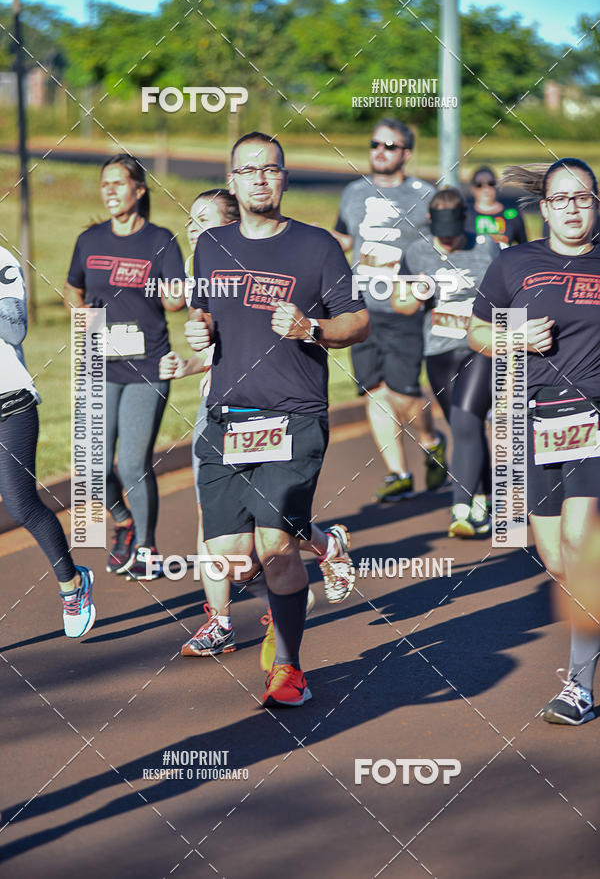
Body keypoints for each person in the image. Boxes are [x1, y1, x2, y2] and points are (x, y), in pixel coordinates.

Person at [185, 131, 369, 706]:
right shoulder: (211, 245)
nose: (260, 178)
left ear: (284, 178)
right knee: (234, 561)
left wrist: (311, 328)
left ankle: (289, 668)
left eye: (271, 169)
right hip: (226, 419)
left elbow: (357, 323)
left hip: (293, 415)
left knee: (274, 545)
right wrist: (198, 334)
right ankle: (326, 543)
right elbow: (205, 316)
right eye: (248, 169)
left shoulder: (316, 248)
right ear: (232, 179)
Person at [159, 190, 357, 658]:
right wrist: (187, 361)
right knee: (223, 537)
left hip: (278, 410)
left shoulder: (268, 261)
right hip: (220, 415)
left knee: (271, 535)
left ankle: (314, 554)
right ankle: (225, 619)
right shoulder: (203, 262)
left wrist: (308, 327)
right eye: (190, 219)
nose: (193, 228)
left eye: (203, 219)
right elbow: (212, 336)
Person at [469, 158, 600, 726]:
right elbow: (475, 330)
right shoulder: (513, 263)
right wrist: (510, 337)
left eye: (584, 197)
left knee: (580, 541)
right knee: (555, 557)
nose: (573, 207)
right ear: (543, 207)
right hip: (532, 418)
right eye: (562, 199)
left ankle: (579, 688)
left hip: (594, 416)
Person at [63, 153, 186, 580]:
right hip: (99, 364)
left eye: (119, 183)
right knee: (90, 467)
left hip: (147, 365)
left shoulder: (161, 241)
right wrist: (79, 312)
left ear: (139, 190)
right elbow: (71, 287)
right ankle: (123, 521)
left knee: (132, 464)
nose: (110, 191)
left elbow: (175, 300)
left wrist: (174, 292)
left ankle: (148, 549)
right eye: (105, 184)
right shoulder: (90, 240)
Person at [333, 118, 447, 502]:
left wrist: (423, 289)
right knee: (375, 391)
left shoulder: (425, 195)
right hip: (360, 305)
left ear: (406, 154)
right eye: (375, 144)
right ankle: (397, 473)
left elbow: (438, 252)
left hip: (403, 308)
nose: (380, 152)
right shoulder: (352, 192)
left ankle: (431, 441)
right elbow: (346, 237)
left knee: (402, 391)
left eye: (390, 146)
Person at [0, 247, 94, 637]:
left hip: (10, 404)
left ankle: (72, 584)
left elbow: (14, 329)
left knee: (20, 504)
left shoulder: (1, 260)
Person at [393, 188, 498, 537]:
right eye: (443, 235)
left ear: (464, 220)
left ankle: (462, 509)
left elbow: (508, 296)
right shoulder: (417, 251)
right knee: (462, 426)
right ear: (431, 223)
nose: (449, 243)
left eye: (454, 235)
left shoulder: (485, 247)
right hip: (437, 352)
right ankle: (485, 499)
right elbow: (400, 304)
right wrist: (417, 293)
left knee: (467, 419)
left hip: (479, 349)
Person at [465, 166, 527, 247]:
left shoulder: (512, 215)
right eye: (479, 184)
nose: (486, 188)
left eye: (491, 183)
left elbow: (524, 246)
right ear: (472, 188)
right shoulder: (465, 214)